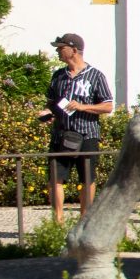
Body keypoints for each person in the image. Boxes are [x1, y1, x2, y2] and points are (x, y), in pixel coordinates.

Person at [42, 32, 114, 224]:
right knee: (55, 178)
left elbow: (107, 105)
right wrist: (47, 112)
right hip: (61, 134)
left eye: (61, 48)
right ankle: (57, 221)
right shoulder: (58, 76)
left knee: (87, 179)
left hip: (87, 135)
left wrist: (82, 106)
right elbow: (51, 103)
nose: (58, 51)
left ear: (74, 50)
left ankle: (85, 219)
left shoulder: (95, 76)